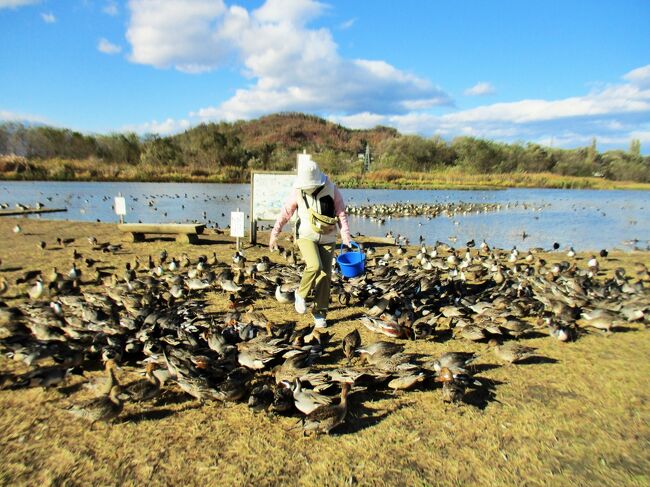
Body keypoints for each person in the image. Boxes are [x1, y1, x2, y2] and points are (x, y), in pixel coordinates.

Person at [269, 159, 351, 328]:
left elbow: (341, 213)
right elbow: (286, 212)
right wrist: (274, 233)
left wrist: (346, 237)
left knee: (325, 276)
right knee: (314, 265)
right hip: (305, 236)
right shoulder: (297, 191)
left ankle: (320, 313)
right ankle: (301, 293)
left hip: (328, 238)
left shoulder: (332, 189)